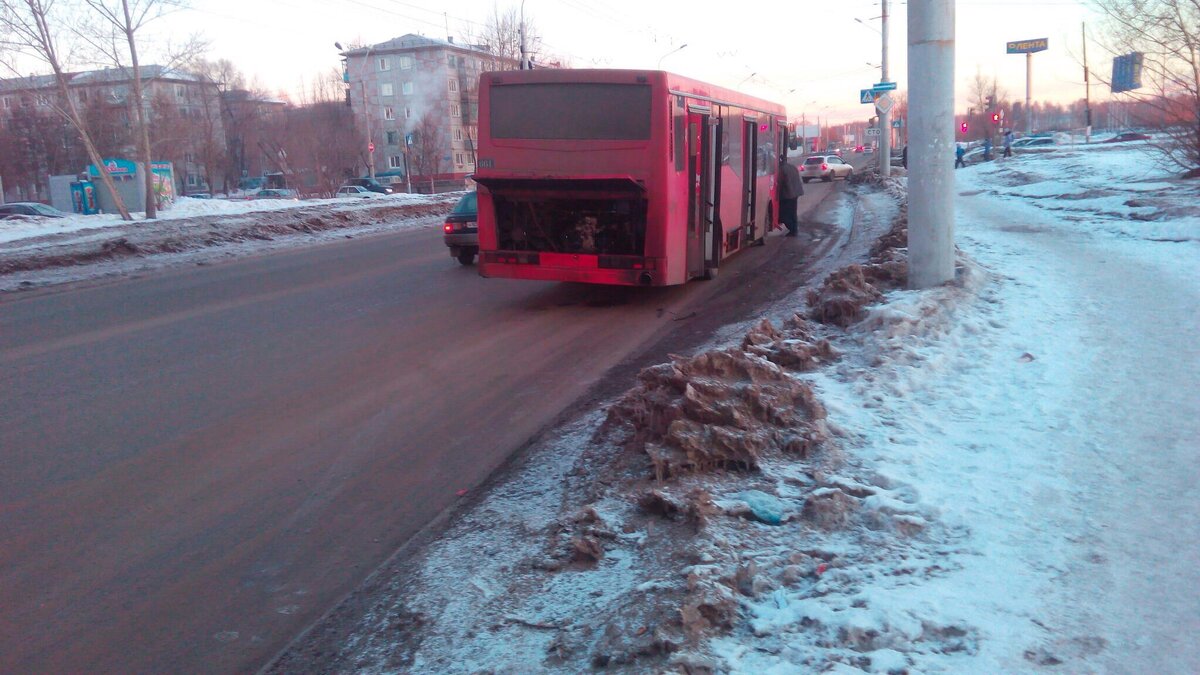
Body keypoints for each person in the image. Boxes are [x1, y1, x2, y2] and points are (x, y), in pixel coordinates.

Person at [777, 154, 803, 236]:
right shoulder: (792, 167)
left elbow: (779, 183)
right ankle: (794, 230)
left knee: (783, 215)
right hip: (795, 194)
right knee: (792, 213)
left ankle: (792, 229)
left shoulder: (781, 169)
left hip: (787, 195)